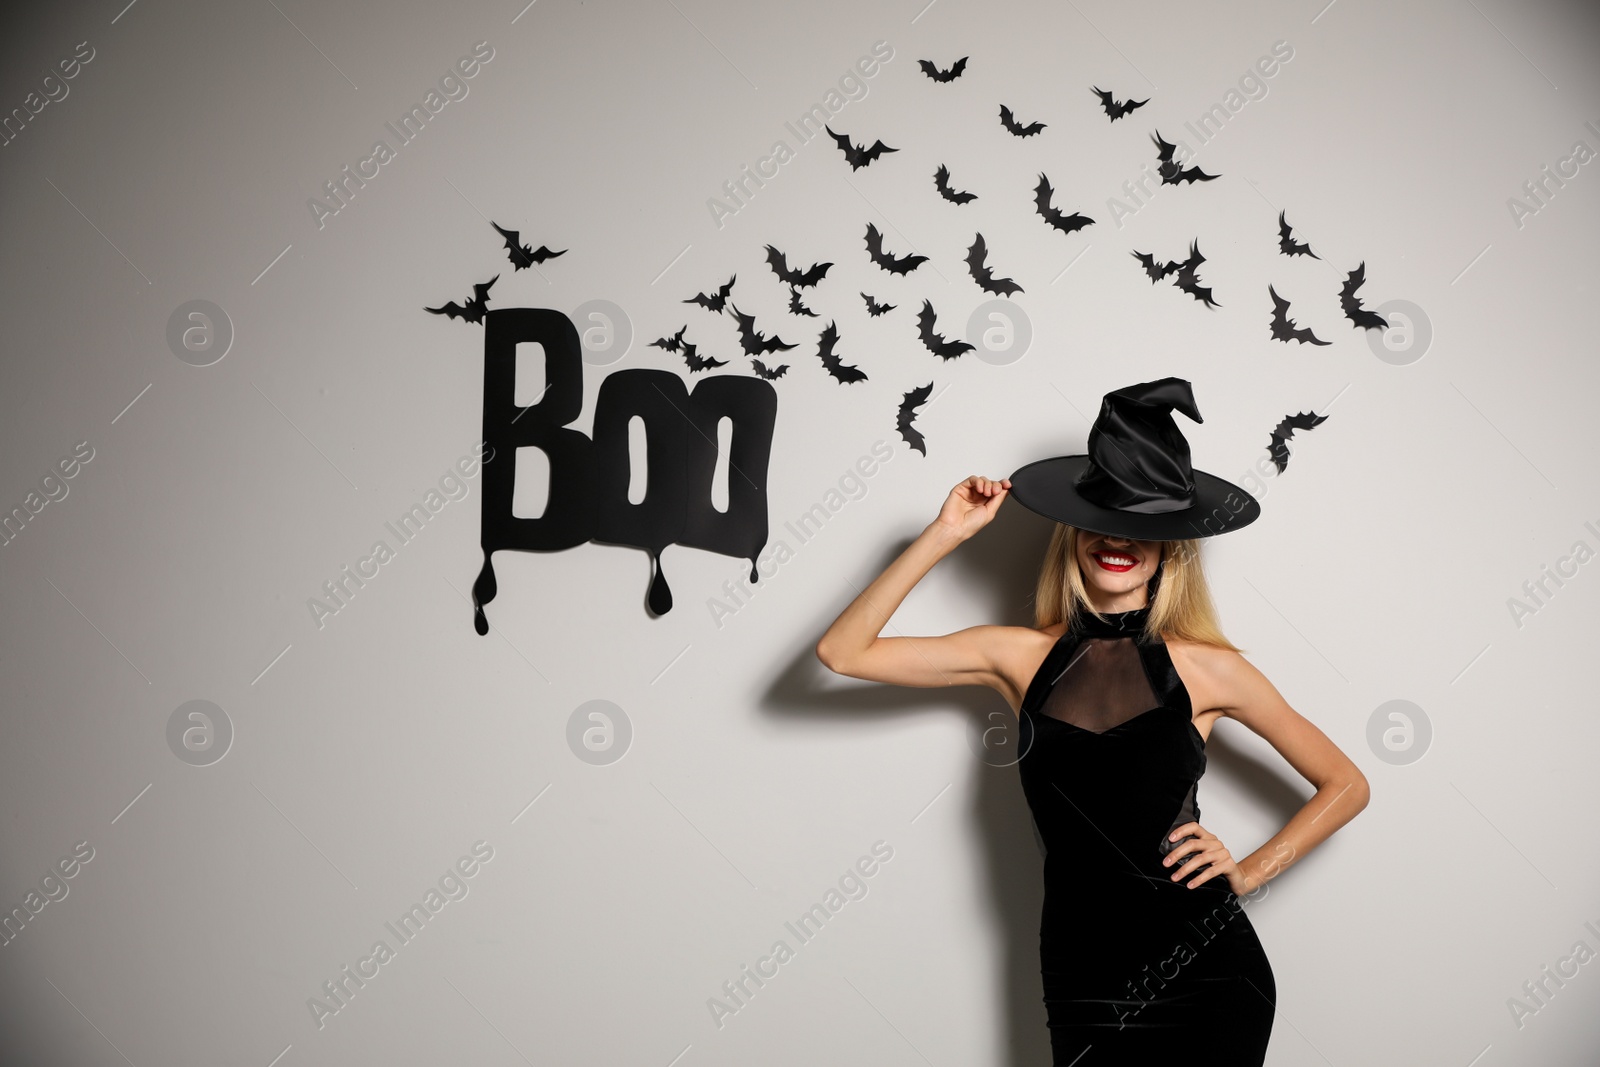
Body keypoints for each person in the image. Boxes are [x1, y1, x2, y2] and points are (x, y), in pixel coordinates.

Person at [815, 378, 1369, 1065]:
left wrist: (1253, 870)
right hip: (1080, 970)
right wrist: (945, 533)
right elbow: (843, 651)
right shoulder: (1017, 654)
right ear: (1075, 527)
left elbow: (1346, 783)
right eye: (1105, 517)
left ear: (1170, 545)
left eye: (1144, 526)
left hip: (1208, 972)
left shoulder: (1210, 669)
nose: (1119, 540)